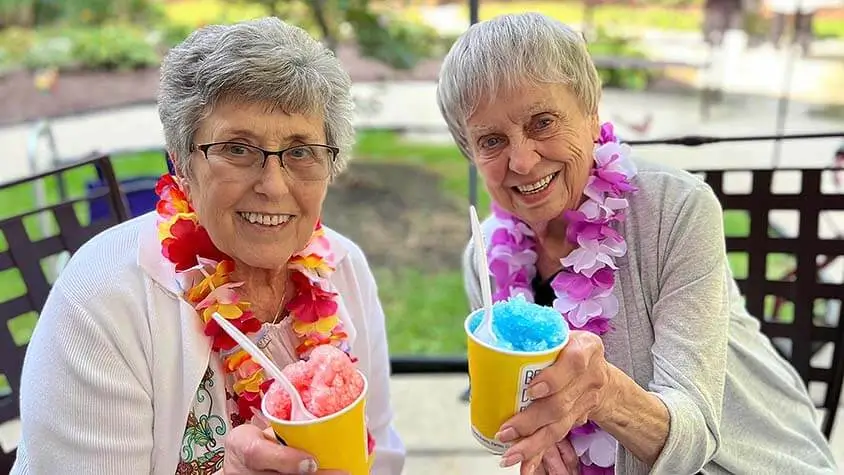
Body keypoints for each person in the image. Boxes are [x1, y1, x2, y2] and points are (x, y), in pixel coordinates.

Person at [437, 13, 837, 475]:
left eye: (543, 122)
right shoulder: (485, 259)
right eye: (491, 141)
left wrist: (603, 392)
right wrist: (539, 442)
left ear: (591, 115)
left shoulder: (676, 210)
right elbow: (511, 417)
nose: (523, 160)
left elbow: (697, 439)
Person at [12, 17, 405, 474]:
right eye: (237, 149)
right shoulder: (102, 300)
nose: (273, 185)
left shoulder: (344, 268)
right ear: (180, 162)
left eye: (300, 151)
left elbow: (381, 456)